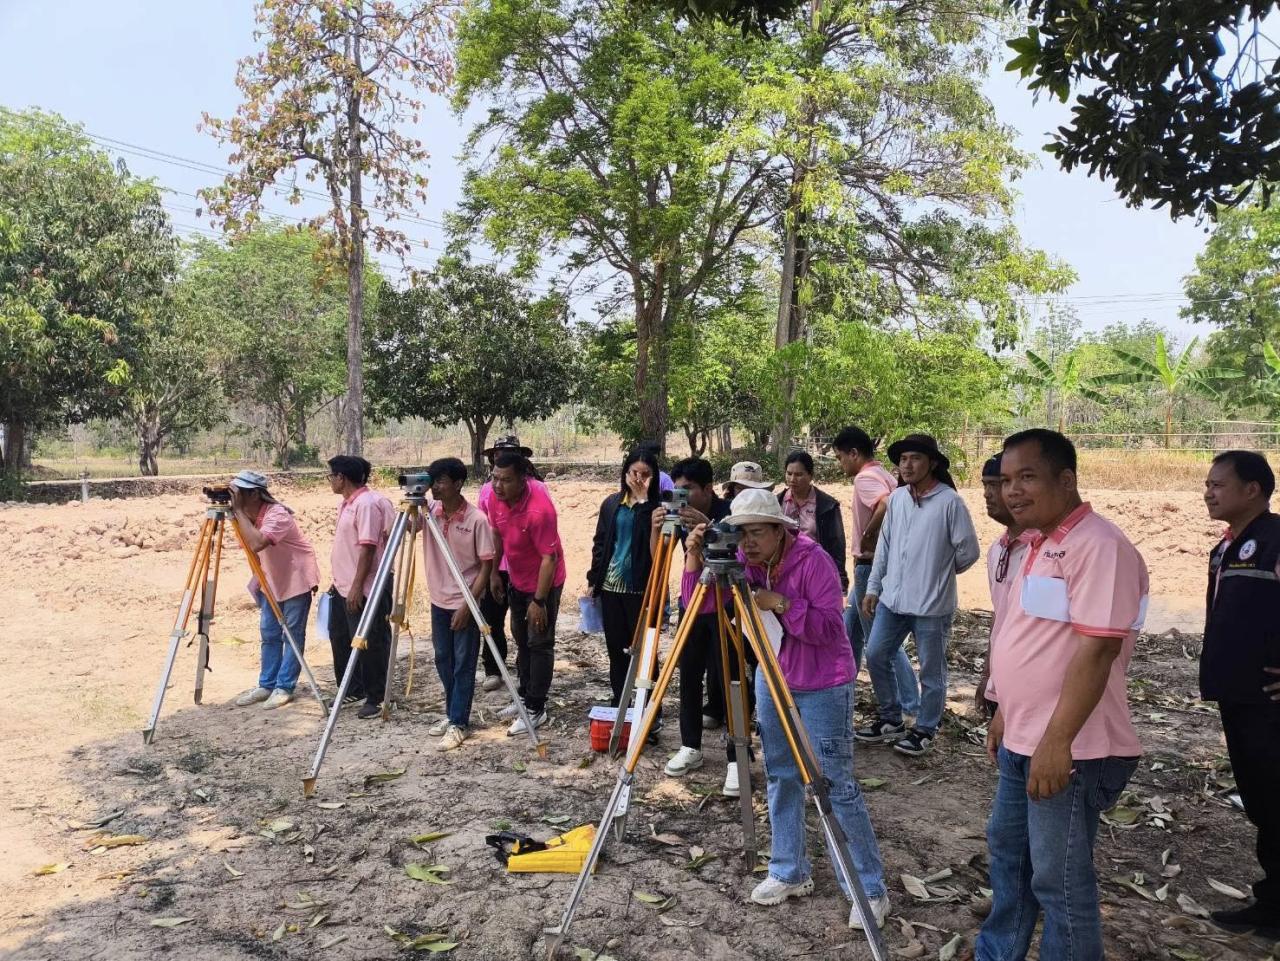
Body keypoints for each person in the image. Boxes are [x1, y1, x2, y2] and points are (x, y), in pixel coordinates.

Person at [684, 489, 890, 929]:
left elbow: (830, 627)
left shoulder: (812, 560)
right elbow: (697, 606)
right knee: (781, 774)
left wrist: (778, 602)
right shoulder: (742, 563)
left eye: (758, 532)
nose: (750, 542)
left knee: (834, 782)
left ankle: (868, 888)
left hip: (822, 683)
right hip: (772, 675)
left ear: (780, 529)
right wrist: (694, 561)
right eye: (742, 534)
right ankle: (788, 870)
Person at [978, 429, 1147, 961]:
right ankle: (998, 952)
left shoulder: (1099, 546)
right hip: (1023, 737)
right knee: (1009, 854)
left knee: (1059, 880)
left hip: (1072, 746)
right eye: (1006, 480)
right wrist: (1004, 705)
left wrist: (1057, 741)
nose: (1012, 492)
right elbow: (1029, 636)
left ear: (1066, 479)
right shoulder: (1039, 543)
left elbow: (1096, 652)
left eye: (1027, 477)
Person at [857, 434, 979, 756]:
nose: (907, 465)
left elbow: (968, 552)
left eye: (915, 458)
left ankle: (925, 728)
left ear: (932, 463)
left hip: (932, 606)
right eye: (903, 459)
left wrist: (937, 572)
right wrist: (873, 588)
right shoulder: (897, 499)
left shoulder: (949, 503)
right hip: (893, 601)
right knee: (877, 654)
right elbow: (883, 548)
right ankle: (890, 718)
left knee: (931, 670)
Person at [1200, 450, 1280, 939]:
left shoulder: (1275, 540)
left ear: (1253, 489)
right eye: (1206, 484)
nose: (1208, 492)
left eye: (1218, 484)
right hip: (1239, 695)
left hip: (1270, 702)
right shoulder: (1227, 546)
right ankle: (1271, 900)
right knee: (1263, 802)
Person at [658, 457, 743, 794]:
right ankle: (690, 746)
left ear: (708, 488)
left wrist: (709, 525)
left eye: (689, 490)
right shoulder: (678, 516)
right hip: (693, 601)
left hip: (727, 603)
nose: (682, 497)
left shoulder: (731, 512)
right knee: (689, 675)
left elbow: (739, 556)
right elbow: (665, 557)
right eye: (677, 491)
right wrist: (660, 528)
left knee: (729, 678)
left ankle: (737, 756)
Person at [831, 426, 919, 714]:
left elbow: (885, 503)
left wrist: (869, 534)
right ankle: (841, 686)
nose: (840, 463)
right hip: (874, 567)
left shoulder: (865, 478)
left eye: (841, 457)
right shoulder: (885, 474)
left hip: (870, 567)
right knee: (849, 629)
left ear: (854, 453)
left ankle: (907, 704)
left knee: (881, 642)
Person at [488, 451, 566, 735]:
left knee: (539, 642)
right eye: (495, 478)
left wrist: (539, 601)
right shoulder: (496, 499)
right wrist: (496, 572)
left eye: (506, 480)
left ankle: (536, 708)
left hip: (543, 584)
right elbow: (497, 535)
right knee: (521, 638)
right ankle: (523, 695)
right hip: (517, 580)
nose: (498, 486)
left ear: (523, 479)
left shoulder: (539, 509)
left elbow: (550, 558)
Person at [228, 470, 320, 711]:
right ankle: (267, 684)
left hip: (295, 578)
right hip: (271, 579)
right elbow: (250, 551)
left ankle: (284, 686)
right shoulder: (247, 516)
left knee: (290, 633)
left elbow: (258, 543)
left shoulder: (278, 515)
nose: (234, 498)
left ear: (255, 494)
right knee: (269, 632)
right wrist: (258, 579)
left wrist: (237, 512)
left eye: (239, 494)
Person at [421, 458, 495, 753]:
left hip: (464, 600)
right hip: (437, 599)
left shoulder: (477, 520)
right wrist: (417, 500)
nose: (435, 487)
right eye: (433, 481)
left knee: (464, 663)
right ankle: (453, 712)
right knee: (443, 658)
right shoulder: (430, 512)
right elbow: (406, 528)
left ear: (457, 484)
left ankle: (459, 723)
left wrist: (469, 605)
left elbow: (486, 566)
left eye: (440, 482)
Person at [587, 449, 661, 706]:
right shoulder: (612, 504)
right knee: (617, 651)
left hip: (642, 590)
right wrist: (593, 579)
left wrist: (643, 501)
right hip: (611, 588)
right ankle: (621, 704)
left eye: (646, 474)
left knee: (645, 654)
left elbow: (648, 542)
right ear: (625, 473)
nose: (639, 479)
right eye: (634, 473)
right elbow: (601, 543)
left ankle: (650, 711)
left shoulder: (656, 510)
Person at [326, 455, 396, 720]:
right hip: (342, 584)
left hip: (365, 585)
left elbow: (367, 549)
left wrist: (357, 587)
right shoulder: (346, 504)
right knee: (340, 636)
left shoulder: (367, 504)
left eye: (332, 476)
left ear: (342, 477)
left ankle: (377, 696)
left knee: (370, 639)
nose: (331, 480)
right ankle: (353, 687)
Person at [476, 435, 541, 693]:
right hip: (497, 565)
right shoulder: (487, 490)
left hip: (525, 567)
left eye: (508, 453)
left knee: (524, 625)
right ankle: (493, 667)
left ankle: (526, 675)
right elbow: (485, 528)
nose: (500, 457)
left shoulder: (536, 488)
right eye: (498, 453)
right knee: (492, 619)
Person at [976, 453, 1034, 718]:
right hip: (1004, 679)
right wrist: (988, 675)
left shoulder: (1041, 550)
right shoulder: (996, 551)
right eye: (985, 485)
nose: (988, 494)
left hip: (1032, 684)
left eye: (996, 485)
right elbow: (1000, 618)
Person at [778, 451, 849, 592]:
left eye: (799, 474)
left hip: (816, 571)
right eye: (789, 473)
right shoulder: (776, 502)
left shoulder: (826, 505)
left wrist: (840, 578)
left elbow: (836, 544)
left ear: (810, 476)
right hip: (782, 572)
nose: (792, 479)